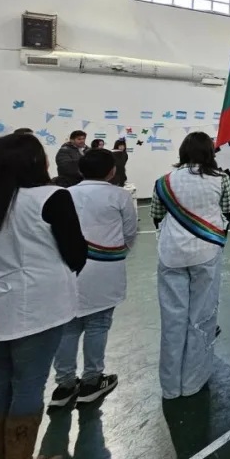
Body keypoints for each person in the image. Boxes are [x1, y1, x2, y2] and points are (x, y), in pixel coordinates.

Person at [0, 134, 86, 459]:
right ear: (35, 164)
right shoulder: (51, 197)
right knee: (29, 384)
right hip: (37, 307)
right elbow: (76, 253)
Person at [151, 132, 230, 400]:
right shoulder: (221, 179)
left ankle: (170, 386)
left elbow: (156, 215)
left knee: (172, 318)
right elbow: (227, 209)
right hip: (206, 251)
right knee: (201, 317)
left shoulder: (164, 181)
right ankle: (193, 381)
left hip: (171, 253)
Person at [49, 149, 138, 409]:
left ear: (80, 170)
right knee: (98, 324)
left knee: (68, 327)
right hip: (105, 267)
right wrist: (116, 253)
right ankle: (92, 380)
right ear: (112, 171)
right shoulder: (119, 196)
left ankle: (64, 385)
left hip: (68, 268)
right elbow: (130, 232)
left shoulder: (63, 195)